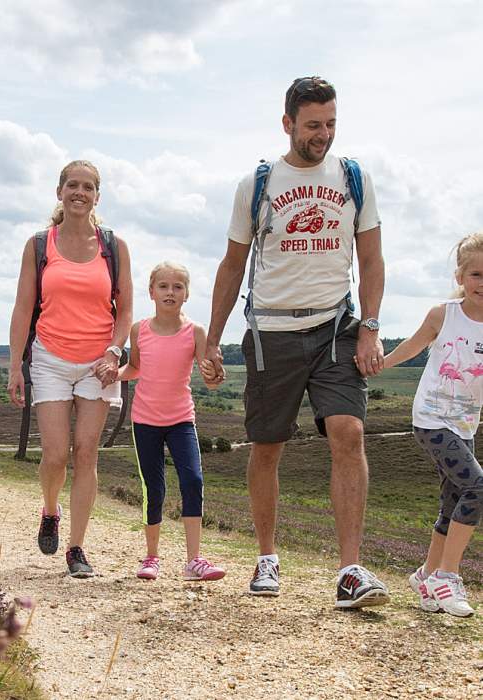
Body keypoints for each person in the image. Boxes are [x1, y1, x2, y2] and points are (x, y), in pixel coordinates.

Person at [206, 75, 389, 607]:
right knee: (268, 448)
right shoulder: (258, 184)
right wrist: (212, 341)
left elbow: (372, 258)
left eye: (330, 124)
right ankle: (267, 557)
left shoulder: (354, 178)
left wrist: (371, 326)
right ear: (287, 124)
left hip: (336, 327)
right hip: (272, 334)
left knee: (349, 433)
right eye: (313, 125)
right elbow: (232, 265)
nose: (323, 135)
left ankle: (350, 571)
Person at [8, 160, 132, 578]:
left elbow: (126, 307)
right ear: (60, 191)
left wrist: (114, 352)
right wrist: (14, 366)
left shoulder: (114, 246)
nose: (80, 193)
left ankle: (77, 548)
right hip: (50, 360)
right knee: (57, 455)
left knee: (86, 452)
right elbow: (24, 308)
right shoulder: (40, 244)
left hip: (98, 364)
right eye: (72, 185)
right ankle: (50, 510)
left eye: (88, 187)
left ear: (98, 196)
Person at [384, 232, 483, 617]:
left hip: (464, 425)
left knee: (453, 502)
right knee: (477, 486)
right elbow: (412, 346)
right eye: (476, 274)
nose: (482, 283)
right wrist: (381, 363)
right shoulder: (444, 314)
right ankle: (448, 576)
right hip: (432, 421)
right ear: (460, 276)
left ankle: (426, 576)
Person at [117, 261, 226, 582]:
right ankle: (151, 558)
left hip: (181, 420)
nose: (170, 292)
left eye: (178, 286)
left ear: (187, 294)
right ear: (151, 292)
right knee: (154, 488)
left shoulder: (196, 332)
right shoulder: (139, 330)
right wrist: (115, 373)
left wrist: (215, 375)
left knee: (192, 480)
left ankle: (194, 561)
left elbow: (211, 378)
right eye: (163, 286)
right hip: (145, 421)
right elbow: (134, 368)